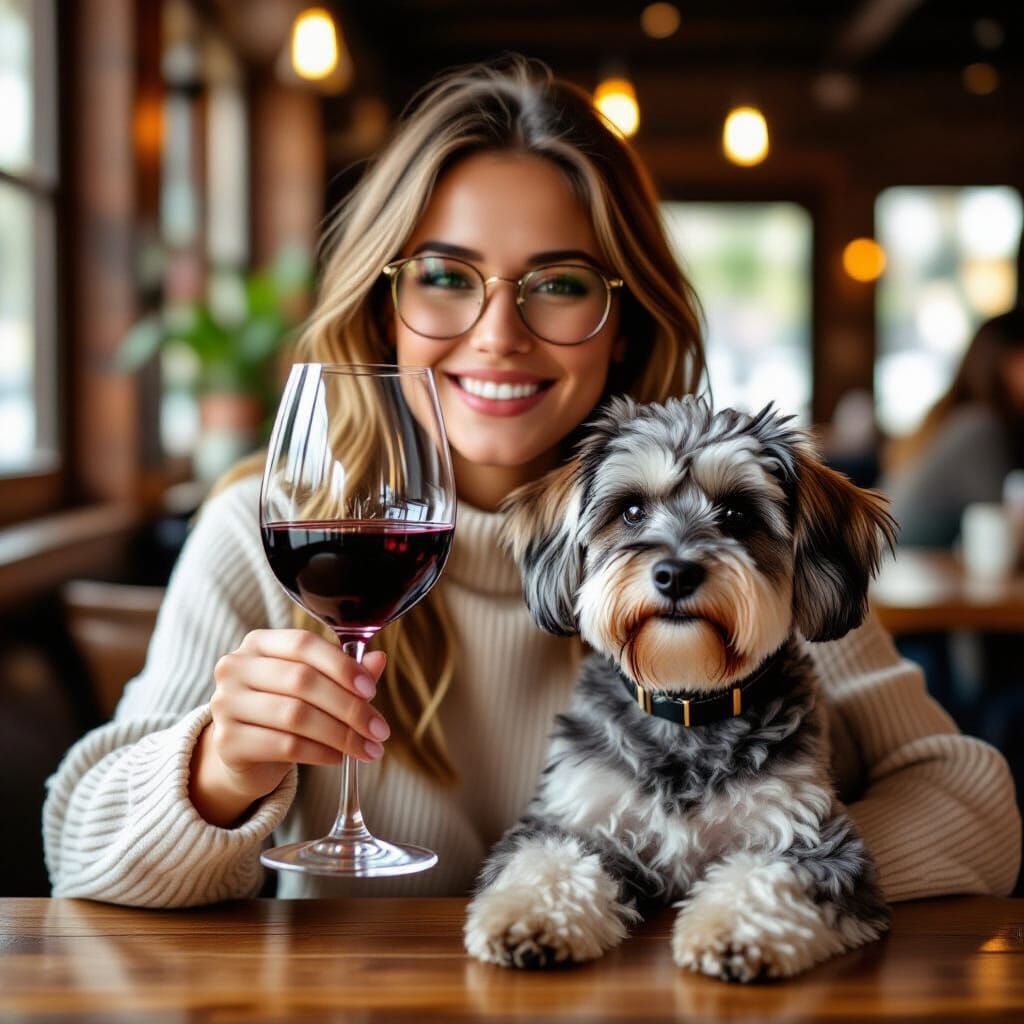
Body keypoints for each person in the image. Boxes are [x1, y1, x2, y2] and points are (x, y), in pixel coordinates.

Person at [43, 57, 1020, 905]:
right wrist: (218, 769)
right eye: (443, 275)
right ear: (383, 307)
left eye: (558, 283)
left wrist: (753, 883)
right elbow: (81, 851)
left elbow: (970, 803)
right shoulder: (267, 527)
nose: (498, 333)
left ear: (622, 324)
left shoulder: (734, 542)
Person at [885, 308, 1024, 547]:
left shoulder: (957, 418)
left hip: (903, 562)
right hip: (902, 564)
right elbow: (1006, 529)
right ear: (1005, 363)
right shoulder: (979, 428)